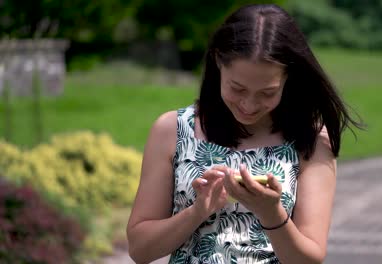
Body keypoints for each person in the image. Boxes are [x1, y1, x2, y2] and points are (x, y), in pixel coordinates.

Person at [127, 3, 362, 264]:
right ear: (218, 62)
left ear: (288, 78)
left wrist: (271, 213)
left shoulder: (312, 140)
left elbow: (309, 260)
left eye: (267, 93)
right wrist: (197, 212)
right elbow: (140, 250)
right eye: (237, 89)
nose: (249, 105)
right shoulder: (172, 130)